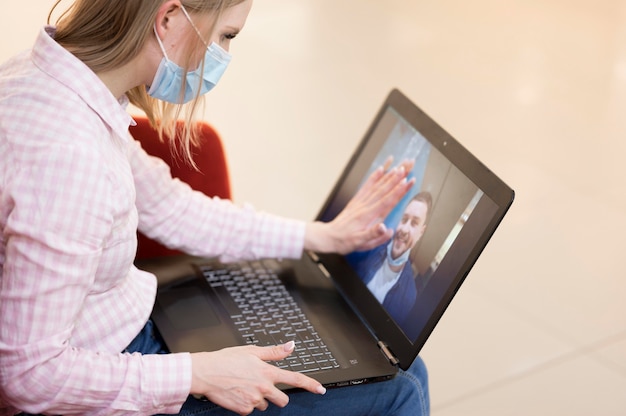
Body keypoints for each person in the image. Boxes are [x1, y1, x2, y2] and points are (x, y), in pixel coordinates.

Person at [0, 1, 430, 415]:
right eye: (225, 35)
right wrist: (198, 374)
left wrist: (319, 236)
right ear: (168, 17)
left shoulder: (51, 80)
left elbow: (170, 209)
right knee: (399, 389)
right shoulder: (70, 157)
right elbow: (29, 373)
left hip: (127, 322)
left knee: (377, 357)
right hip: (107, 372)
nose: (224, 55)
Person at [352, 192, 433, 324]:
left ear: (421, 232)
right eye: (404, 219)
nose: (405, 229)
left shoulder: (409, 296)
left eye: (414, 223)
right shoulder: (371, 246)